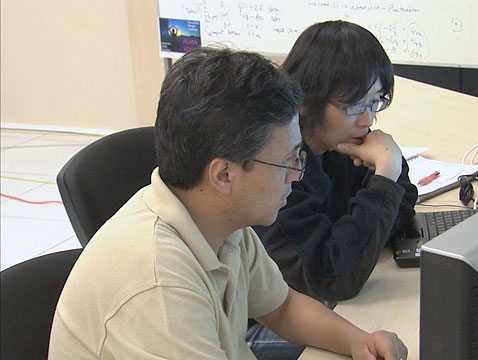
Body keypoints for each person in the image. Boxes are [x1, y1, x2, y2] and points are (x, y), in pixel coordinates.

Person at [48, 46, 407, 360]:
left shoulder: (220, 223)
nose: (297, 175)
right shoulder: (159, 286)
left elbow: (281, 307)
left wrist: (359, 341)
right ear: (223, 175)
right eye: (288, 161)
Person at [253, 20, 418, 303]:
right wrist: (385, 174)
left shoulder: (337, 146)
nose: (367, 121)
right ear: (304, 99)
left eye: (375, 101)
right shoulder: (276, 170)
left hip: (310, 302)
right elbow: (334, 279)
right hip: (255, 320)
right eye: (354, 105)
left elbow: (401, 205)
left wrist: (357, 233)